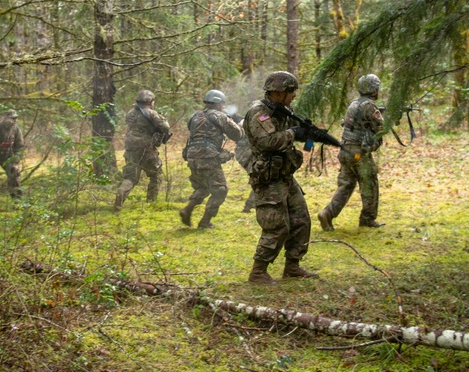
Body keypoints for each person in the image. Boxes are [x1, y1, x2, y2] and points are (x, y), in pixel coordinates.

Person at [242, 70, 319, 284]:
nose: (294, 95)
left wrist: (306, 134)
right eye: (291, 91)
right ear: (279, 92)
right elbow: (267, 142)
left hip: (284, 174)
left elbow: (288, 137)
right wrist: (293, 133)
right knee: (276, 225)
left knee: (301, 219)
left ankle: (292, 266)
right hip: (268, 177)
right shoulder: (259, 113)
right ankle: (258, 272)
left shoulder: (283, 110)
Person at [318, 74, 385, 231]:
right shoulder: (369, 106)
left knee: (346, 185)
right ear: (373, 89)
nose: (378, 90)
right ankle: (367, 219)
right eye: (377, 88)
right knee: (370, 182)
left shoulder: (354, 103)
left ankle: (327, 213)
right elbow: (380, 126)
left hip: (346, 151)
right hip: (358, 153)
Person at [180, 90, 244, 229]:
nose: (223, 106)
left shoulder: (194, 116)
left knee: (203, 187)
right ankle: (204, 222)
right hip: (207, 156)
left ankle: (187, 210)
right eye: (222, 103)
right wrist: (237, 123)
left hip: (192, 155)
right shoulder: (220, 116)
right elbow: (237, 135)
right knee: (220, 189)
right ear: (217, 103)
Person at [114, 89, 172, 210]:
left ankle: (121, 193)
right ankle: (151, 201)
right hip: (146, 147)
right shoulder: (151, 113)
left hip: (130, 147)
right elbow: (165, 126)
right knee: (156, 173)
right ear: (151, 102)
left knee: (130, 177)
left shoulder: (130, 113)